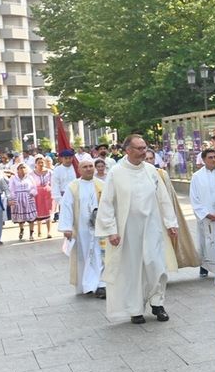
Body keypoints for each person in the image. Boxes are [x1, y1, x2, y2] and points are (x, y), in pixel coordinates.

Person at [95, 135, 180, 325]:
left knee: (156, 265)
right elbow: (107, 203)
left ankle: (158, 303)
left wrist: (170, 223)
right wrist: (111, 230)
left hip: (152, 227)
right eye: (140, 148)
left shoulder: (151, 171)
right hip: (128, 230)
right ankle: (135, 310)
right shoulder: (116, 173)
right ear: (128, 151)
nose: (144, 151)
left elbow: (163, 198)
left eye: (145, 148)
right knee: (133, 270)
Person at [145, 149, 200, 272]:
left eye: (151, 158)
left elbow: (168, 195)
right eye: (146, 159)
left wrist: (170, 218)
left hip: (162, 214)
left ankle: (163, 269)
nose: (149, 161)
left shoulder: (161, 174)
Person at [58, 159, 107, 298]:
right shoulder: (73, 187)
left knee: (99, 256)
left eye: (91, 166)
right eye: (85, 167)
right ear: (79, 170)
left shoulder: (102, 185)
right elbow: (66, 206)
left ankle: (101, 285)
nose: (88, 169)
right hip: (81, 230)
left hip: (99, 229)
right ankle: (87, 285)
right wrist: (67, 227)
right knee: (85, 256)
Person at [191, 148, 215, 278]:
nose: (213, 160)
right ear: (203, 159)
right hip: (205, 216)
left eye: (214, 157)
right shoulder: (197, 177)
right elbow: (194, 198)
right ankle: (204, 266)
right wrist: (205, 213)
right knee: (205, 241)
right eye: (210, 157)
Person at [8, 163, 39, 241]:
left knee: (31, 217)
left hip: (28, 197)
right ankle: (21, 229)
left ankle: (31, 233)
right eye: (21, 168)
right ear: (17, 169)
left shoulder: (30, 177)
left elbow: (34, 187)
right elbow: (11, 189)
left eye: (24, 168)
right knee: (20, 217)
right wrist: (12, 198)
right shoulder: (13, 178)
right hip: (18, 198)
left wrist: (32, 193)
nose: (22, 169)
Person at [52, 150, 77, 222]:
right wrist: (59, 200)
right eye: (66, 158)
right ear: (62, 158)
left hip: (76, 196)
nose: (68, 160)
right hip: (64, 197)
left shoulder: (76, 168)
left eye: (70, 158)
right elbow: (55, 186)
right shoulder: (57, 170)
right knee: (66, 220)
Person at [33, 157, 54, 239]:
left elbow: (53, 182)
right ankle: (39, 231)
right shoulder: (32, 173)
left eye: (42, 162)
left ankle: (49, 232)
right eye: (39, 162)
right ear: (36, 164)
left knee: (48, 211)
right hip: (37, 194)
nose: (41, 164)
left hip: (47, 193)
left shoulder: (49, 172)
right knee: (39, 212)